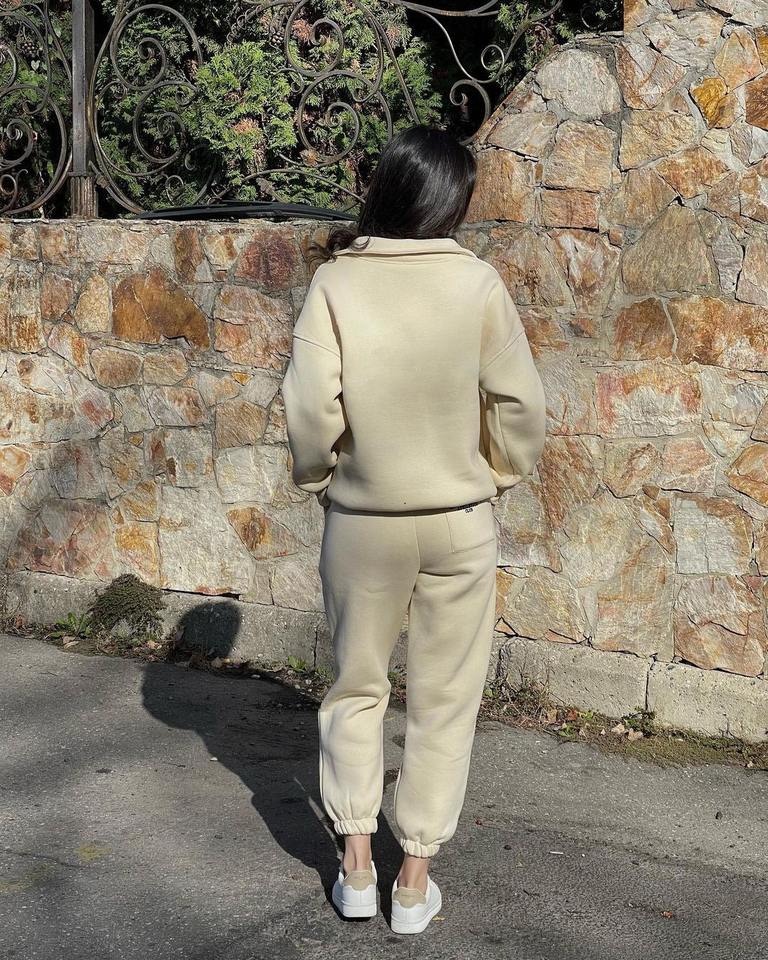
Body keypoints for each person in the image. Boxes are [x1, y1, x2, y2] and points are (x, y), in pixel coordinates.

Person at [281, 124, 547, 935]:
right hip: (458, 522)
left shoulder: (336, 283)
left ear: (387, 190)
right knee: (445, 701)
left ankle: (357, 868)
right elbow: (520, 405)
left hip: (363, 524)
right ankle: (413, 881)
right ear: (449, 201)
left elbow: (309, 407)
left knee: (356, 689)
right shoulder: (476, 284)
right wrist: (496, 474)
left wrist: (321, 476)